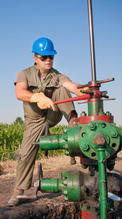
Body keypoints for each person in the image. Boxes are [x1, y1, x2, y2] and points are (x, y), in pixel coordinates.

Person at [7, 37, 84, 207]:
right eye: (44, 57)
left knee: (63, 88)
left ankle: (74, 124)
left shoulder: (58, 75)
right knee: (26, 153)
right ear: (35, 58)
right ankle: (18, 192)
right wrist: (35, 96)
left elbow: (72, 86)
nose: (48, 60)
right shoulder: (24, 73)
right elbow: (19, 92)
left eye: (51, 57)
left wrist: (88, 90)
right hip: (34, 121)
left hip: (52, 115)